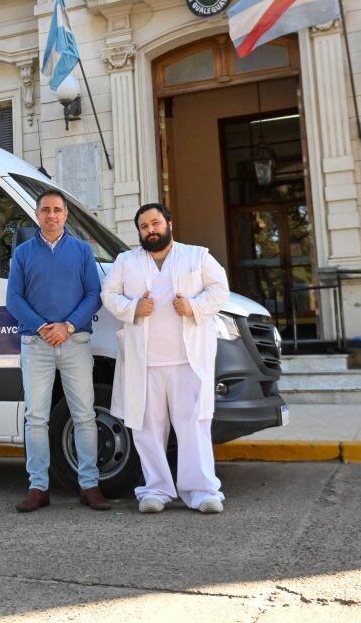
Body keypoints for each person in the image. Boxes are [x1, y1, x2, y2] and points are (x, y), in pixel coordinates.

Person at [100, 202, 230, 514]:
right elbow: (108, 295)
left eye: (155, 223)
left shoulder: (196, 256)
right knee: (147, 429)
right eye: (144, 227)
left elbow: (220, 289)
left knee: (193, 426)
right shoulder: (126, 261)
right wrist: (133, 309)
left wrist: (194, 307)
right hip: (144, 363)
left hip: (187, 360)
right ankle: (155, 491)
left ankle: (202, 491)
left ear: (169, 223)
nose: (150, 230)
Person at [6, 188, 108, 513]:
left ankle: (89, 485)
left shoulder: (82, 251)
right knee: (36, 417)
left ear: (65, 215)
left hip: (75, 342)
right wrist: (41, 327)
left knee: (85, 416)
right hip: (36, 344)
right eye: (46, 210)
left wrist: (68, 327)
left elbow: (94, 293)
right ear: (37, 215)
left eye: (57, 210)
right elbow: (14, 299)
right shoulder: (22, 253)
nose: (51, 215)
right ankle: (39, 488)